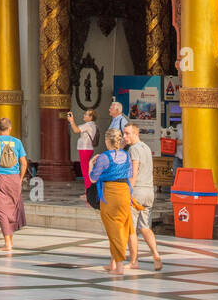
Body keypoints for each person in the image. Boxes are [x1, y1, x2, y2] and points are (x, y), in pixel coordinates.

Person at [90, 128, 134, 274]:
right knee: (121, 226)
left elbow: (93, 178)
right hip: (124, 191)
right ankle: (113, 263)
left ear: (107, 141)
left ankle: (119, 265)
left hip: (110, 193)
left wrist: (91, 164)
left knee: (113, 229)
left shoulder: (104, 157)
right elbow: (130, 174)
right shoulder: (126, 156)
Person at [0, 117, 27, 252]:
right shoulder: (17, 142)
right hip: (14, 178)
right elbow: (24, 163)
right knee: (12, 208)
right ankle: (10, 240)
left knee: (0, 209)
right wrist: (19, 178)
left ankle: (8, 243)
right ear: (10, 128)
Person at [122, 122, 162, 271]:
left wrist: (128, 191)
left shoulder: (134, 150)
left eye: (127, 133)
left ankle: (134, 261)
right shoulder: (146, 147)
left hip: (137, 191)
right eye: (124, 133)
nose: (125, 137)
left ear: (135, 133)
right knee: (145, 227)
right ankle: (156, 254)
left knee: (131, 228)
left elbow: (134, 172)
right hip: (149, 192)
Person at [67, 109, 99, 189]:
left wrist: (71, 121)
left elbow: (76, 130)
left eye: (86, 114)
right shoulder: (93, 125)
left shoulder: (88, 125)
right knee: (87, 169)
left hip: (85, 149)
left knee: (85, 170)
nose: (84, 115)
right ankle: (89, 189)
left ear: (91, 117)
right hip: (87, 149)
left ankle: (88, 190)